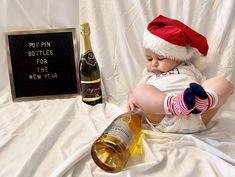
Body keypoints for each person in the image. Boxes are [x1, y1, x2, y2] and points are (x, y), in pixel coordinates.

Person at [128, 15, 234, 133]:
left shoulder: (189, 68)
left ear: (178, 58)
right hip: (164, 116)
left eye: (161, 58)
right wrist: (132, 97)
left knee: (224, 83)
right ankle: (175, 105)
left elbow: (203, 85)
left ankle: (206, 102)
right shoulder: (149, 74)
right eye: (149, 59)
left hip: (197, 114)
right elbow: (140, 92)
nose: (154, 64)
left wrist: (209, 94)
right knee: (139, 91)